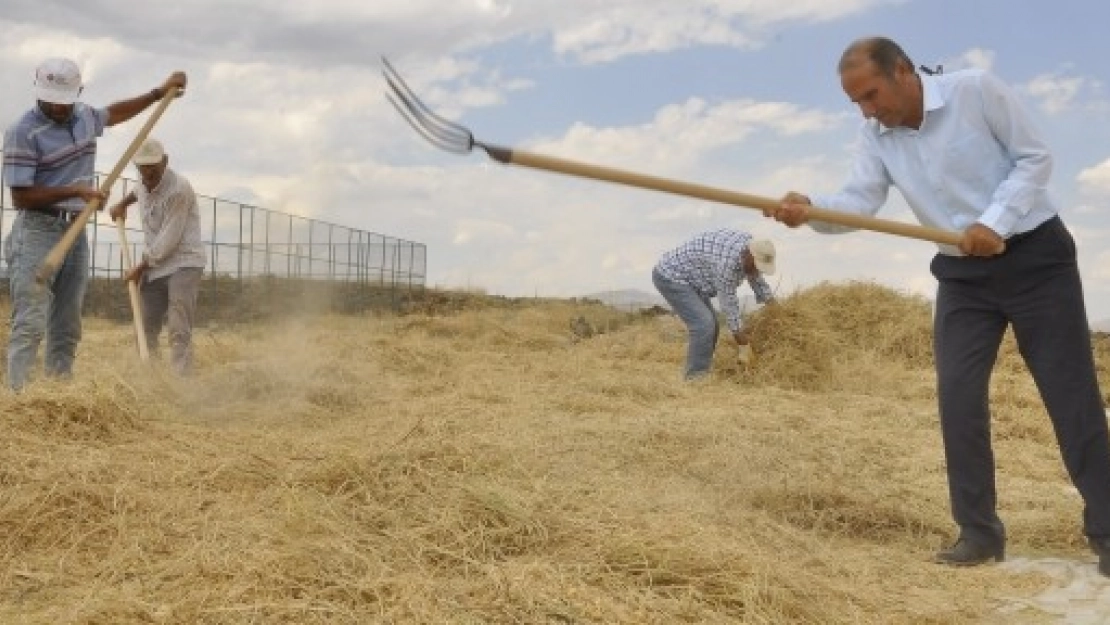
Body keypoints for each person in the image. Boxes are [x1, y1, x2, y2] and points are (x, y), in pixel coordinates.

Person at [764, 36, 1110, 576]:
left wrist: (993, 223)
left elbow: (1034, 157)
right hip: (961, 276)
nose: (868, 110)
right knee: (957, 397)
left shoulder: (976, 91)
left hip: (1036, 258)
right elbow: (858, 202)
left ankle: (1107, 532)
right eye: (856, 102)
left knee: (1070, 397)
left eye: (873, 95)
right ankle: (979, 534)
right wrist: (810, 211)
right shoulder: (875, 135)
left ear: (903, 70)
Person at [2, 58, 186, 390]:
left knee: (68, 322)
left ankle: (57, 394)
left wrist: (158, 93)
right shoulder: (22, 132)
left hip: (76, 231)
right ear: (38, 92)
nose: (59, 107)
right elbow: (21, 198)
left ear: (78, 93)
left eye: (65, 100)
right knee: (30, 321)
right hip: (37, 231)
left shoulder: (84, 116)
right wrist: (73, 190)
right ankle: (19, 399)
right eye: (52, 100)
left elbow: (114, 114)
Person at [109, 139, 206, 375]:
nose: (148, 172)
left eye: (153, 166)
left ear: (165, 161)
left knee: (178, 327)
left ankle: (181, 383)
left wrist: (140, 267)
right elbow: (136, 192)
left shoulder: (179, 190)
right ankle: (151, 377)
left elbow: (168, 240)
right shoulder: (143, 182)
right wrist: (122, 204)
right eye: (142, 167)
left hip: (184, 262)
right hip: (156, 266)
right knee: (144, 324)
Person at [652, 228, 776, 379]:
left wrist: (777, 310)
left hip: (695, 280)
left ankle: (702, 370)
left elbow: (755, 278)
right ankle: (695, 379)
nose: (757, 271)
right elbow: (729, 305)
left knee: (713, 327)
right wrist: (743, 344)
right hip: (672, 277)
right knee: (703, 324)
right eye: (756, 265)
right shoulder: (727, 264)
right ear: (749, 255)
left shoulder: (752, 248)